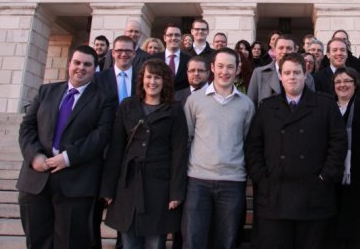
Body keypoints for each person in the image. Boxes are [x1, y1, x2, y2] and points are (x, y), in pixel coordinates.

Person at [17, 45, 117, 249]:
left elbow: (101, 135)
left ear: (94, 68)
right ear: (69, 64)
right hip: (37, 181)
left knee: (71, 242)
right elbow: (27, 126)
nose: (81, 68)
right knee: (37, 240)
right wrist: (34, 156)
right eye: (77, 63)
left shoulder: (105, 98)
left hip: (76, 182)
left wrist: (68, 157)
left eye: (87, 65)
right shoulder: (47, 91)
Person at [245, 53, 347, 248]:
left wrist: (325, 177)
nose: (292, 77)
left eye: (297, 72)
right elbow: (253, 147)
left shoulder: (325, 105)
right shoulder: (267, 108)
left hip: (314, 195)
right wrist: (262, 179)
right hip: (275, 196)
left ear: (306, 75)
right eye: (287, 73)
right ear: (280, 77)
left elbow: (338, 144)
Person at [101, 59, 187, 249]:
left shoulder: (174, 110)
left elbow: (179, 152)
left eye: (158, 77)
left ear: (165, 81)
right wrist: (108, 188)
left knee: (155, 242)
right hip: (128, 184)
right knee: (128, 241)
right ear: (142, 79)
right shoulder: (128, 106)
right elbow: (115, 148)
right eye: (149, 77)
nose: (152, 82)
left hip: (159, 187)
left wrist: (176, 192)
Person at [182, 48, 255, 249]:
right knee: (194, 240)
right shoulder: (194, 100)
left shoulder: (246, 105)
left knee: (226, 242)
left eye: (230, 67)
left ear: (238, 69)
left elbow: (247, 141)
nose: (225, 71)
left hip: (232, 182)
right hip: (198, 181)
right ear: (212, 68)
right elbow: (187, 138)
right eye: (220, 66)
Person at [327, 67, 360, 249]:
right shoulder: (326, 108)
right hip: (332, 175)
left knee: (358, 227)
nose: (343, 85)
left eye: (347, 81)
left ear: (355, 84)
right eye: (338, 82)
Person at [247, 35, 314, 105]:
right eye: (281, 48)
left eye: (289, 48)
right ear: (274, 50)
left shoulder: (307, 77)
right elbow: (251, 104)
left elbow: (311, 104)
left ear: (295, 51)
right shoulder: (259, 73)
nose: (285, 51)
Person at [153, 23, 190, 91]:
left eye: (177, 35)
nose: (173, 38)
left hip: (182, 100)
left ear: (181, 38)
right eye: (170, 35)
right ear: (164, 38)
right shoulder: (154, 60)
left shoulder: (189, 60)